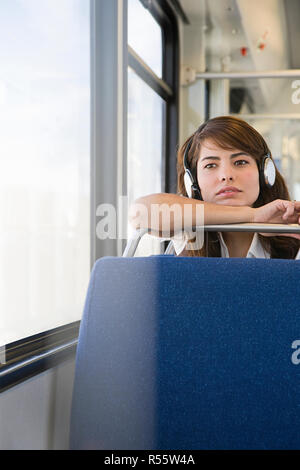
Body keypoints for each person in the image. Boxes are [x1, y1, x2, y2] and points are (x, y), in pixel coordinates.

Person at [129, 116, 300, 259]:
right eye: (210, 165)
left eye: (240, 162)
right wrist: (254, 216)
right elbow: (139, 212)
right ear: (193, 182)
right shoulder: (189, 231)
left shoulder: (290, 230)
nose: (226, 175)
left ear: (265, 173)